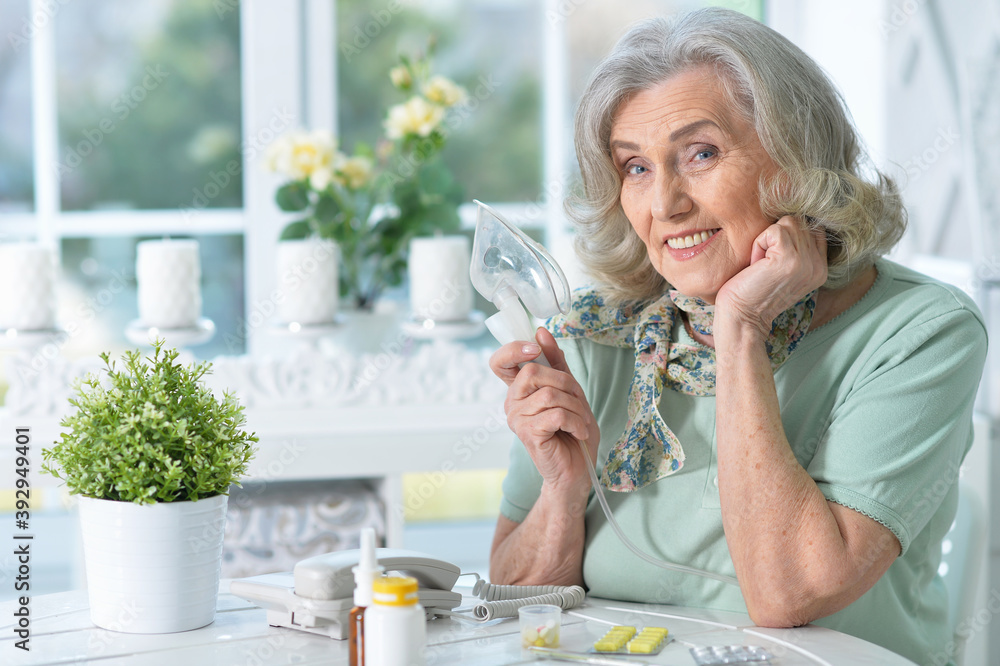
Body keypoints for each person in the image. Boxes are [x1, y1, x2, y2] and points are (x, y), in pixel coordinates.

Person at [487, 8, 987, 665]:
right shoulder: (595, 336)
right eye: (635, 168)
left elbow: (789, 595)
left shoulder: (921, 333)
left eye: (701, 154)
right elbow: (513, 613)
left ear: (797, 160)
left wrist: (740, 328)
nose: (665, 204)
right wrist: (563, 489)